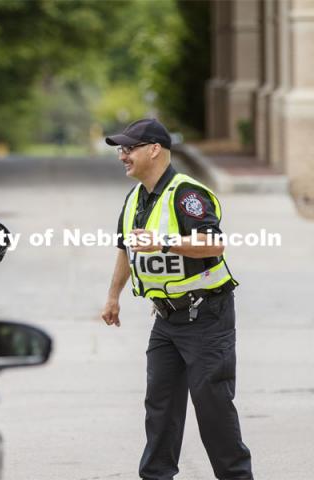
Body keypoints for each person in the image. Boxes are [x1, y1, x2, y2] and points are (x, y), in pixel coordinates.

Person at [101, 118, 253, 480]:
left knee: (212, 406)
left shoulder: (187, 195)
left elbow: (213, 244)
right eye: (121, 149)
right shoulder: (136, 197)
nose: (122, 155)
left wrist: (164, 241)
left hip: (206, 315)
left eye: (129, 148)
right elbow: (126, 247)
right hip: (166, 319)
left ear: (154, 149)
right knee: (160, 407)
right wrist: (113, 297)